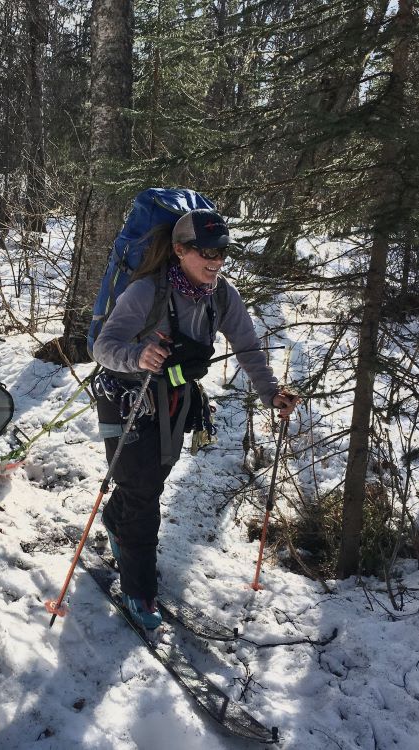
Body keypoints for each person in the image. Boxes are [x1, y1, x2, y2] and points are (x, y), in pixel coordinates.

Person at [91, 208, 300, 629]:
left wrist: (270, 391)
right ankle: (139, 588)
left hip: (175, 399)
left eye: (221, 251)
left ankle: (116, 520)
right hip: (127, 399)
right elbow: (102, 346)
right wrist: (137, 356)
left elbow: (247, 345)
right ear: (179, 250)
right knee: (143, 491)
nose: (215, 260)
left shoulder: (221, 295)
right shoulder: (146, 292)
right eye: (205, 251)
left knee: (151, 482)